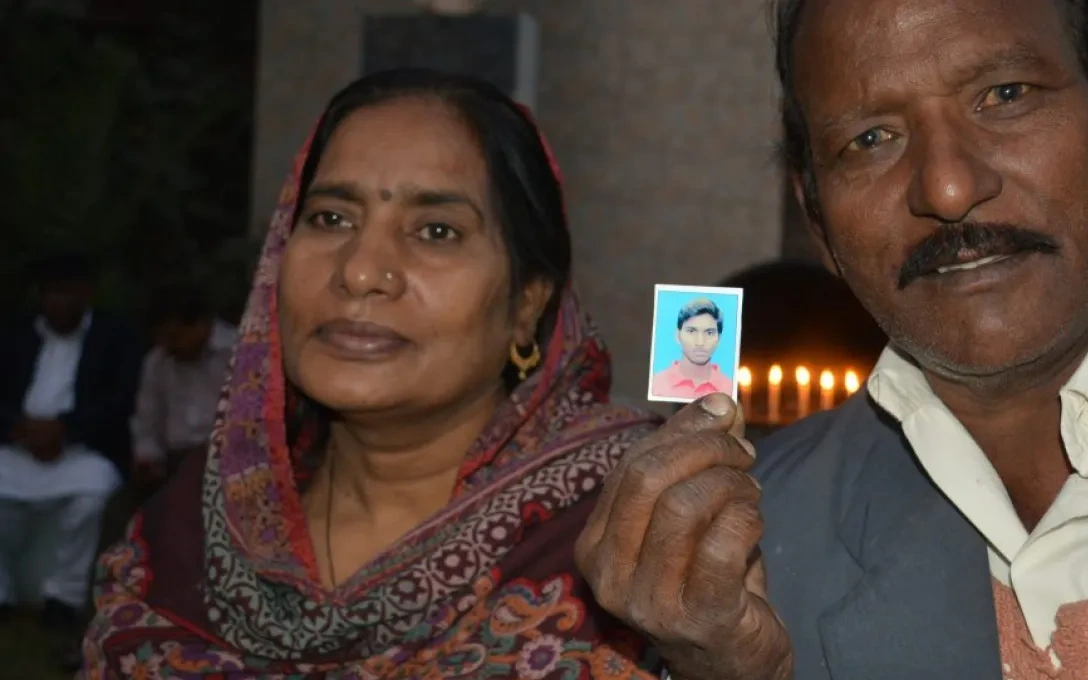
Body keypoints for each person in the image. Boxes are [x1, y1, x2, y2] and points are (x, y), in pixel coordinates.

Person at [576, 0, 1088, 678]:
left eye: (1004, 95)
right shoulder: (745, 560)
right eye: (870, 139)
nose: (948, 185)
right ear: (818, 222)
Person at [81, 69, 664, 678]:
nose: (360, 271)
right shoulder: (195, 521)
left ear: (527, 304)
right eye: (331, 219)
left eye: (436, 231)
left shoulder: (626, 532)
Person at [0, 252, 142, 634]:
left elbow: (121, 398)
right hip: (17, 446)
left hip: (82, 450)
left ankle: (64, 598)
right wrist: (19, 426)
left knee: (91, 500)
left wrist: (66, 429)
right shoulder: (16, 333)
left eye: (64, 292)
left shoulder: (116, 336)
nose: (55, 302)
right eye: (47, 293)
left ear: (86, 293)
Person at [130, 281, 238, 488]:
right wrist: (148, 459)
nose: (170, 345)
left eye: (176, 336)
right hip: (175, 464)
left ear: (203, 325)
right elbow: (147, 425)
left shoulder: (238, 352)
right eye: (163, 338)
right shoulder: (157, 363)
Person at [650, 298, 734, 401]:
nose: (700, 342)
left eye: (709, 333)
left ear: (719, 339)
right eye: (691, 331)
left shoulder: (730, 389)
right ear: (677, 335)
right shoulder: (656, 384)